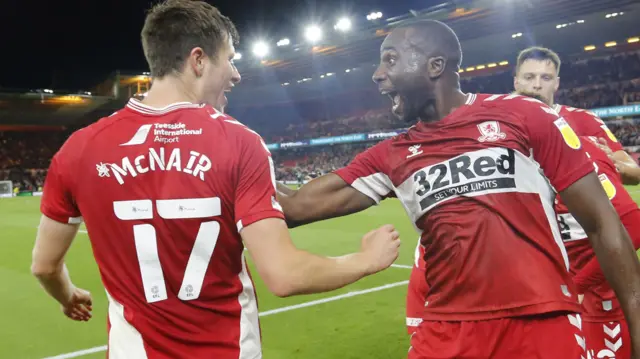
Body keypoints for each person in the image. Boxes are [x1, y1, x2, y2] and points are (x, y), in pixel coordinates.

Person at [30, 1, 401, 358]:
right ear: (198, 60)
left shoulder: (79, 150)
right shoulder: (238, 142)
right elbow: (285, 275)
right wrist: (365, 260)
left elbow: (44, 267)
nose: (236, 74)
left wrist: (68, 296)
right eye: (230, 59)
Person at [276, 20, 640, 358]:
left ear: (435, 66)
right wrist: (232, 142)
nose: (378, 74)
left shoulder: (525, 117)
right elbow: (293, 207)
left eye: (390, 60)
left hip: (541, 323)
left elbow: (602, 223)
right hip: (445, 332)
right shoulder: (390, 156)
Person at [554, 135, 640, 359]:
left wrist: (578, 286)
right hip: (563, 301)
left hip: (600, 303)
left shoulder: (571, 152)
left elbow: (634, 226)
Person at [513, 46, 640, 184]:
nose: (537, 85)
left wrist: (609, 162)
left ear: (556, 84)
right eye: (529, 77)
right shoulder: (500, 123)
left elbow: (635, 174)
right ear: (516, 82)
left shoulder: (584, 118)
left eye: (546, 78)